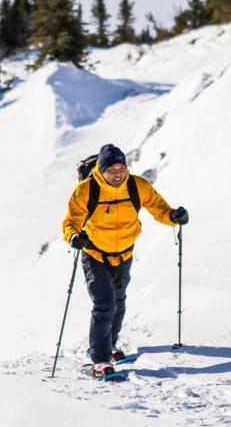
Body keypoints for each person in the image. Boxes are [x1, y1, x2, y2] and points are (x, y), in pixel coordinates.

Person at [62, 142, 188, 379]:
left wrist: (174, 216)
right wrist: (74, 236)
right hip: (94, 254)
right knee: (105, 304)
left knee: (118, 302)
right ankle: (99, 360)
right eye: (112, 170)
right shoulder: (86, 190)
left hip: (124, 254)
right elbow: (71, 222)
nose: (118, 174)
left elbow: (159, 208)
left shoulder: (137, 185)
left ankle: (110, 346)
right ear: (101, 170)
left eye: (121, 168)